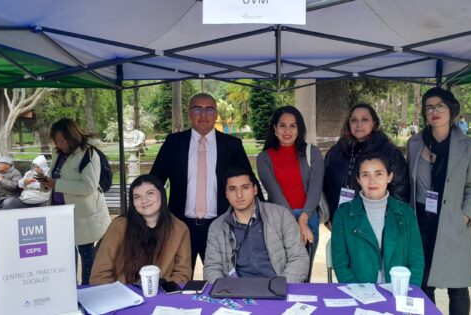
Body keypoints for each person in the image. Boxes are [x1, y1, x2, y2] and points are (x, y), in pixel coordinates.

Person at [150, 93, 262, 273]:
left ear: (216, 114)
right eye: (197, 109)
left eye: (209, 109)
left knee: (224, 280)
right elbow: (154, 182)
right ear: (189, 113)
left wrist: (262, 218)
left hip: (221, 225)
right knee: (176, 281)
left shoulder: (231, 145)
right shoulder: (174, 143)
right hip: (180, 225)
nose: (203, 115)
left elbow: (250, 181)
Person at [407, 87, 471, 315]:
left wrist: (465, 215)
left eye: (440, 106)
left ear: (451, 109)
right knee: (424, 283)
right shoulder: (415, 143)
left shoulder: (469, 146)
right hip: (420, 222)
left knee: (457, 286)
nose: (434, 111)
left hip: (452, 222)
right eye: (429, 107)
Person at [331, 153, 424, 285]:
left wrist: (409, 292)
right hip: (359, 293)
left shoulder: (406, 214)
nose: (372, 181)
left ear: (389, 177)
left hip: (398, 292)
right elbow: (340, 263)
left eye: (378, 174)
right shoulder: (343, 214)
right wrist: (360, 292)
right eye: (365, 175)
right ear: (358, 179)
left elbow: (416, 260)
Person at [203, 168, 309, 283]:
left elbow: (299, 258)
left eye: (245, 187)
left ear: (255, 189)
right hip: (236, 292)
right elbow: (212, 267)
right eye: (232, 189)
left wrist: (280, 286)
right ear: (226, 194)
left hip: (278, 288)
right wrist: (226, 290)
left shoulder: (281, 215)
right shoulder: (217, 227)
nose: (239, 195)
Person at [40, 118, 111, 285]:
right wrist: (46, 184)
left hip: (82, 216)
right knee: (66, 257)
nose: (60, 144)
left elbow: (88, 186)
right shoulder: (58, 153)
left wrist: (57, 184)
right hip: (60, 213)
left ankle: (88, 290)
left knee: (87, 257)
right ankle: (69, 290)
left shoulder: (88, 153)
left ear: (72, 136)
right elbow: (55, 176)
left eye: (63, 140)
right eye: (57, 141)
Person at [256, 106, 323, 281]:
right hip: (279, 219)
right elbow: (275, 193)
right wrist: (293, 222)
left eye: (293, 126)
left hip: (308, 218)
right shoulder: (264, 158)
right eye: (282, 125)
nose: (287, 131)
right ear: (274, 128)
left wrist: (303, 219)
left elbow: (315, 189)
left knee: (303, 273)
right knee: (281, 272)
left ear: (299, 129)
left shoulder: (312, 153)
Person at [90, 175, 192, 285]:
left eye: (150, 193)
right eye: (137, 197)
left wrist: (157, 290)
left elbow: (182, 274)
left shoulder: (179, 229)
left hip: (161, 293)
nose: (144, 200)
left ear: (162, 194)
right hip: (122, 294)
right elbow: (100, 274)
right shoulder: (119, 226)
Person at [323, 103, 410, 227]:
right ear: (349, 124)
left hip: (375, 225)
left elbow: (400, 190)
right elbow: (327, 187)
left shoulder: (389, 152)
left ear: (374, 123)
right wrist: (330, 217)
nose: (359, 124)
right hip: (341, 222)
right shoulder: (335, 152)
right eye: (354, 120)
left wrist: (393, 222)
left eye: (364, 119)